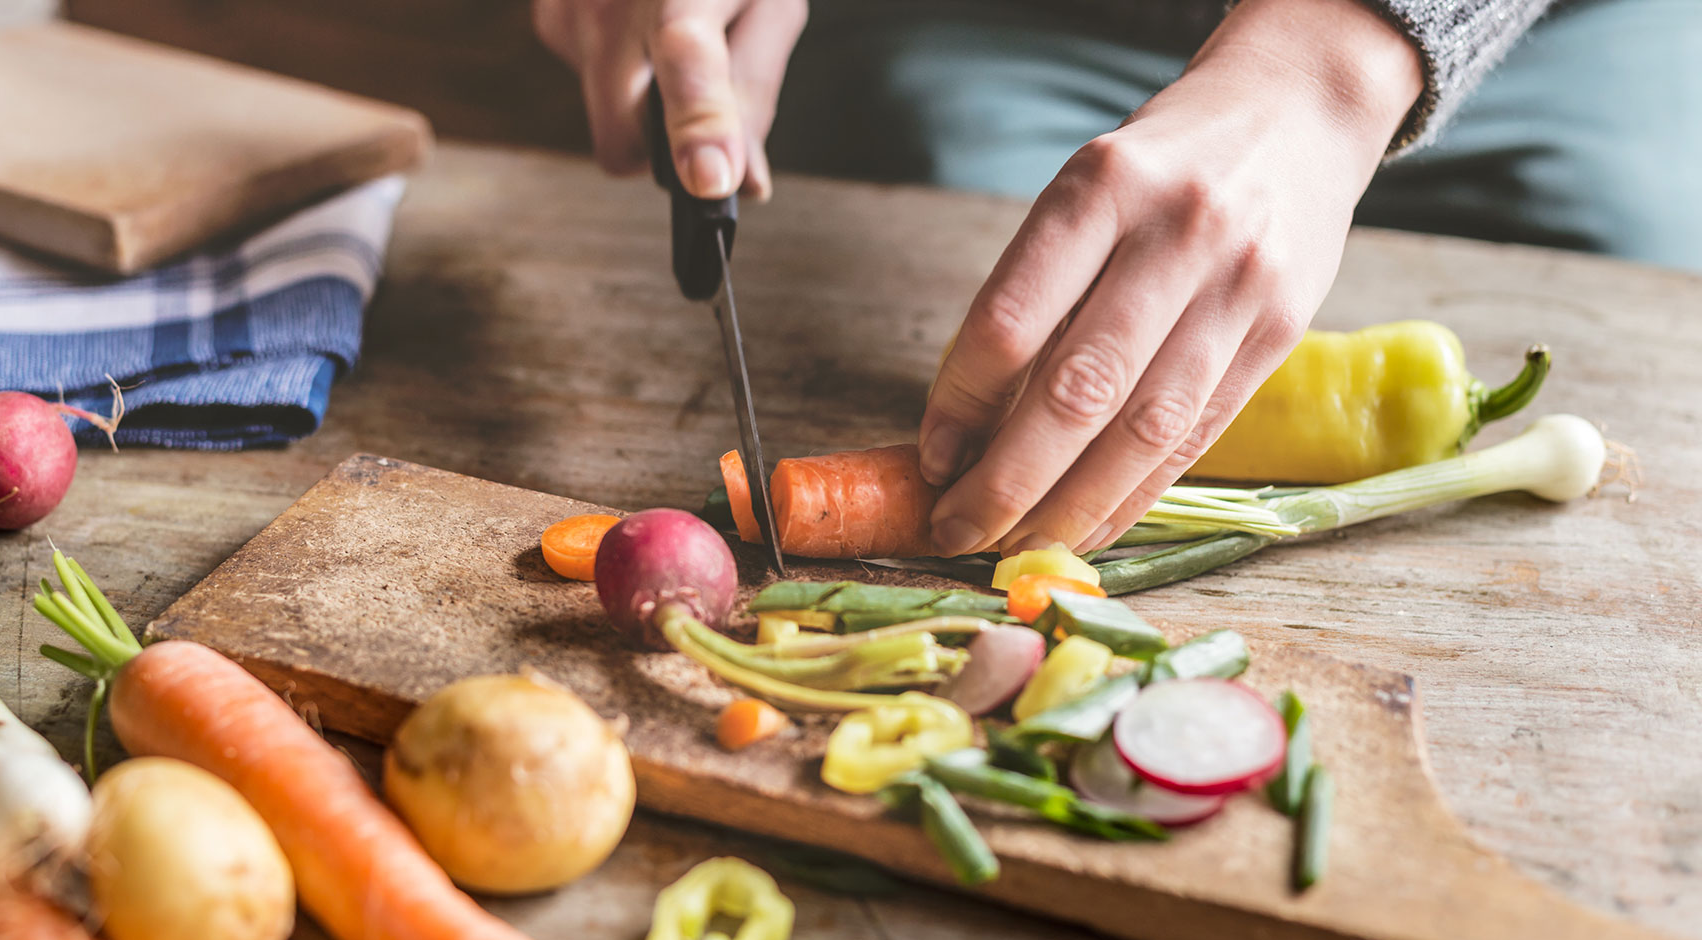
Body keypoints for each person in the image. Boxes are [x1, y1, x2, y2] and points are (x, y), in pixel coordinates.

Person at [531, 0, 1700, 556]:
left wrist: (1330, 59)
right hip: (1011, 26)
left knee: (1627, 229)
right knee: (978, 266)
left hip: (1553, 37)